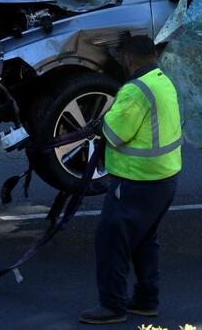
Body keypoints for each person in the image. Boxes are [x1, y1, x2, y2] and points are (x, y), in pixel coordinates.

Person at [80, 35, 182, 325]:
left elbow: (114, 134)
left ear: (128, 59)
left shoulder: (135, 91)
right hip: (164, 179)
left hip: (137, 181)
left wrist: (102, 122)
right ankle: (146, 301)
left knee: (111, 243)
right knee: (144, 242)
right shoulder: (163, 81)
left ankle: (112, 306)